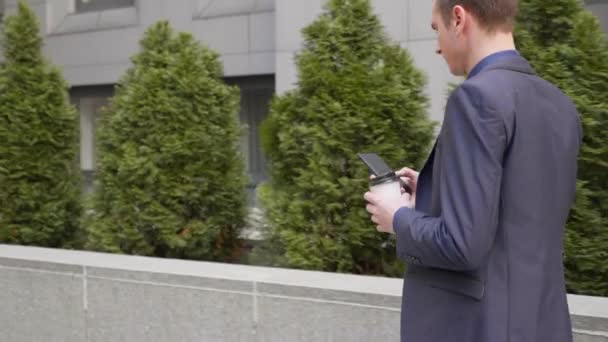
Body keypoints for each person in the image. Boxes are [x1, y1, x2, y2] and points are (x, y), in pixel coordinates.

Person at [364, 0, 582, 341]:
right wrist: (437, 190)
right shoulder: (560, 105)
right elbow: (520, 210)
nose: (436, 46)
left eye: (436, 30)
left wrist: (399, 218)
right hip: (542, 323)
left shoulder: (476, 97)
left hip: (479, 327)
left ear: (458, 18)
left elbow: (460, 245)